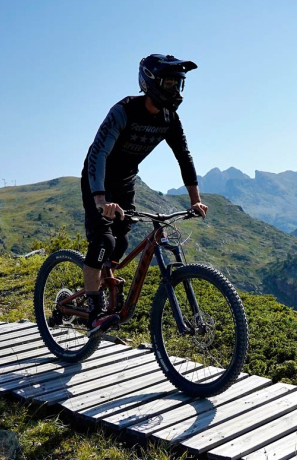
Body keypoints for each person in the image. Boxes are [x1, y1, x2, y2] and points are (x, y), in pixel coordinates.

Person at [81, 54, 207, 324]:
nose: (174, 90)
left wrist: (196, 200)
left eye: (178, 84)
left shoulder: (170, 118)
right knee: (104, 241)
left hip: (125, 180)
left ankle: (107, 283)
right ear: (151, 83)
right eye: (169, 83)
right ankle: (93, 310)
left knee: (122, 241)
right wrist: (100, 199)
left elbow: (184, 156)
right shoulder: (124, 111)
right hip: (98, 178)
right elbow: (99, 154)